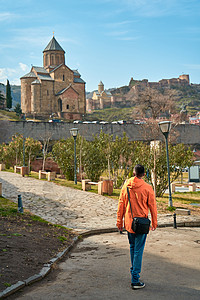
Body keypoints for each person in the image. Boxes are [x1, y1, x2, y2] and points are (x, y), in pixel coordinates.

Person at [117, 164, 157, 290]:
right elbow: (152, 206)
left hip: (129, 223)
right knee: (138, 250)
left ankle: (133, 270)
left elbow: (121, 205)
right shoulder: (147, 187)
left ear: (133, 173)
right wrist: (154, 222)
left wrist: (119, 222)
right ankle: (135, 279)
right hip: (142, 224)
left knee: (133, 247)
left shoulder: (126, 186)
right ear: (143, 174)